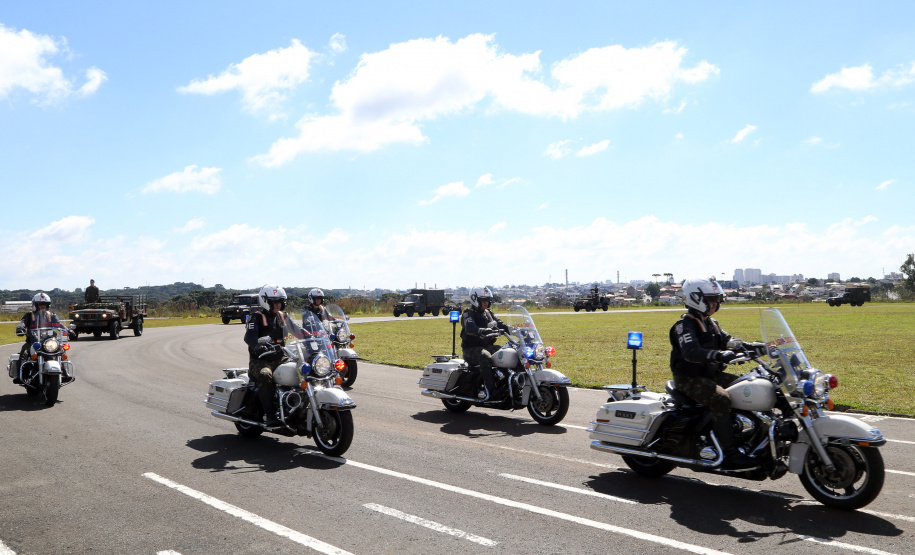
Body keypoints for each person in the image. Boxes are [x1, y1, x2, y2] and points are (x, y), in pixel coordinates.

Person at [669, 278, 767, 468]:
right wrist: (719, 355)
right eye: (711, 299)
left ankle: (752, 436)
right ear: (696, 299)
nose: (716, 304)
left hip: (710, 374)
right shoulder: (684, 325)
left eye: (717, 299)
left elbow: (731, 342)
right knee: (720, 398)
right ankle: (730, 453)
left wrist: (758, 347)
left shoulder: (711, 324)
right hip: (689, 378)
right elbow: (691, 351)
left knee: (751, 386)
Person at [244, 284, 306, 428]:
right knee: (266, 375)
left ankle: (296, 408)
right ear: (265, 301)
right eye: (274, 301)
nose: (278, 304)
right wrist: (258, 346)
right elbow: (249, 337)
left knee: (303, 371)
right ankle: (271, 416)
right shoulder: (256, 317)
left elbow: (298, 330)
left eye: (280, 301)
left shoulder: (283, 316)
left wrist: (316, 336)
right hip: (260, 360)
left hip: (281, 357)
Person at [460, 286, 510, 401]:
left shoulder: (488, 313)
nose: (486, 303)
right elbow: (470, 328)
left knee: (507, 352)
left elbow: (501, 325)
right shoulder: (468, 314)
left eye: (487, 300)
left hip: (486, 346)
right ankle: (491, 390)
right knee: (485, 356)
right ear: (475, 299)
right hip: (471, 349)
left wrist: (517, 330)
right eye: (483, 300)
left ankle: (507, 383)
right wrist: (484, 330)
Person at [13, 293, 65, 384]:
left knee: (62, 351)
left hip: (49, 342)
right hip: (33, 342)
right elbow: (23, 323)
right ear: (35, 305)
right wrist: (20, 328)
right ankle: (19, 375)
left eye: (45, 304)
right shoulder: (30, 315)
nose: (43, 306)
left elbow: (59, 324)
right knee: (24, 352)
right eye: (40, 304)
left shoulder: (51, 315)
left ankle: (65, 373)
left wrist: (66, 329)